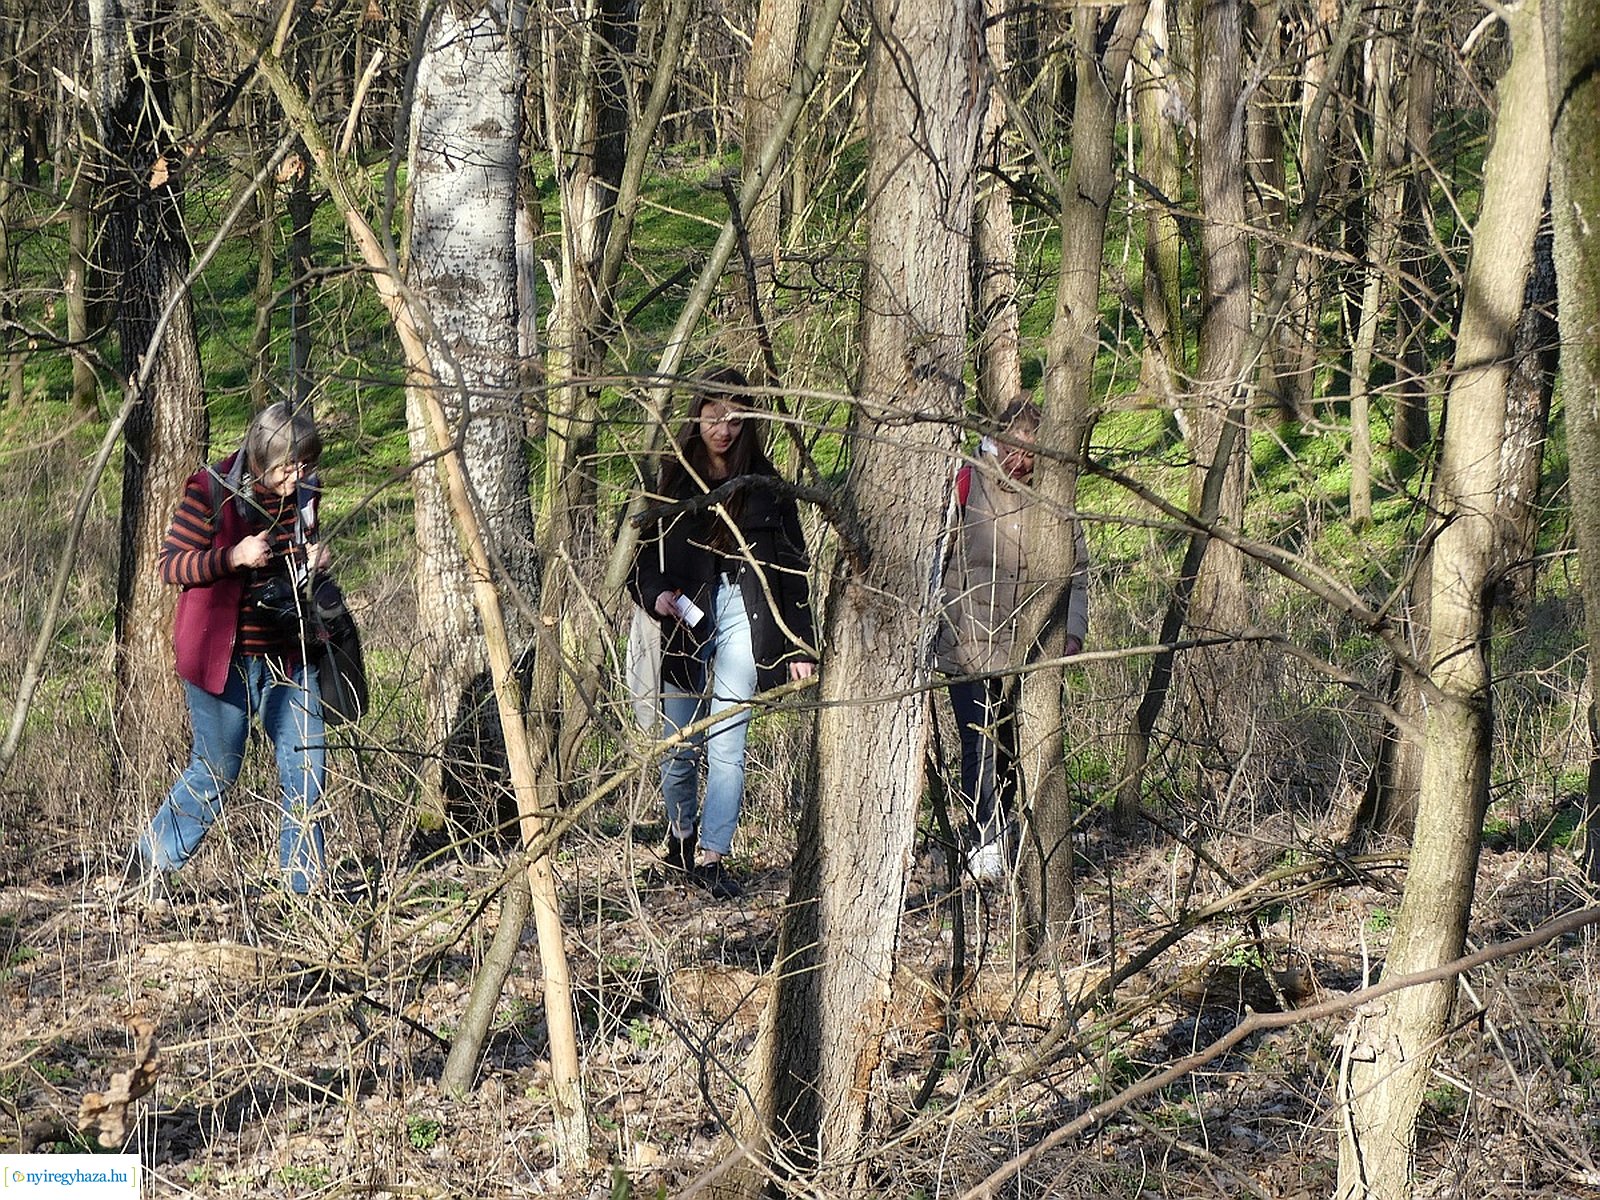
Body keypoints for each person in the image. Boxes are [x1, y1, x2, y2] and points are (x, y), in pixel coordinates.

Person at [132, 402, 333, 896]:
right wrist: (233, 556)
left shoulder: (305, 493)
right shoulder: (211, 489)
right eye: (288, 466)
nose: (298, 476)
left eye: (305, 465)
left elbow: (299, 556)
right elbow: (171, 565)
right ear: (261, 457)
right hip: (222, 660)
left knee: (308, 765)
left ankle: (304, 893)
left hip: (288, 654)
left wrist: (315, 559)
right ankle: (152, 862)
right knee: (217, 770)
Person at [630, 368, 816, 900]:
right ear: (697, 416)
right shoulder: (670, 480)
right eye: (714, 416)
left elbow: (793, 567)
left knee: (728, 742)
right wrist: (656, 596)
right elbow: (639, 562)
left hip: (745, 612)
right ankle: (680, 839)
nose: (724, 429)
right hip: (685, 619)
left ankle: (712, 857)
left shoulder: (767, 484)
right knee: (678, 745)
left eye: (735, 418)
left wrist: (799, 644)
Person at [936, 396, 1089, 881]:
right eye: (1015, 448)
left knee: (1011, 743)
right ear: (997, 440)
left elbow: (1077, 571)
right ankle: (983, 839)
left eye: (1032, 452)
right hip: (968, 638)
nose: (1022, 461)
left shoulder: (1052, 493)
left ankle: (1010, 833)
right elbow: (936, 558)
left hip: (1028, 642)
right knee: (978, 741)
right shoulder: (966, 481)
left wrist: (1072, 632)